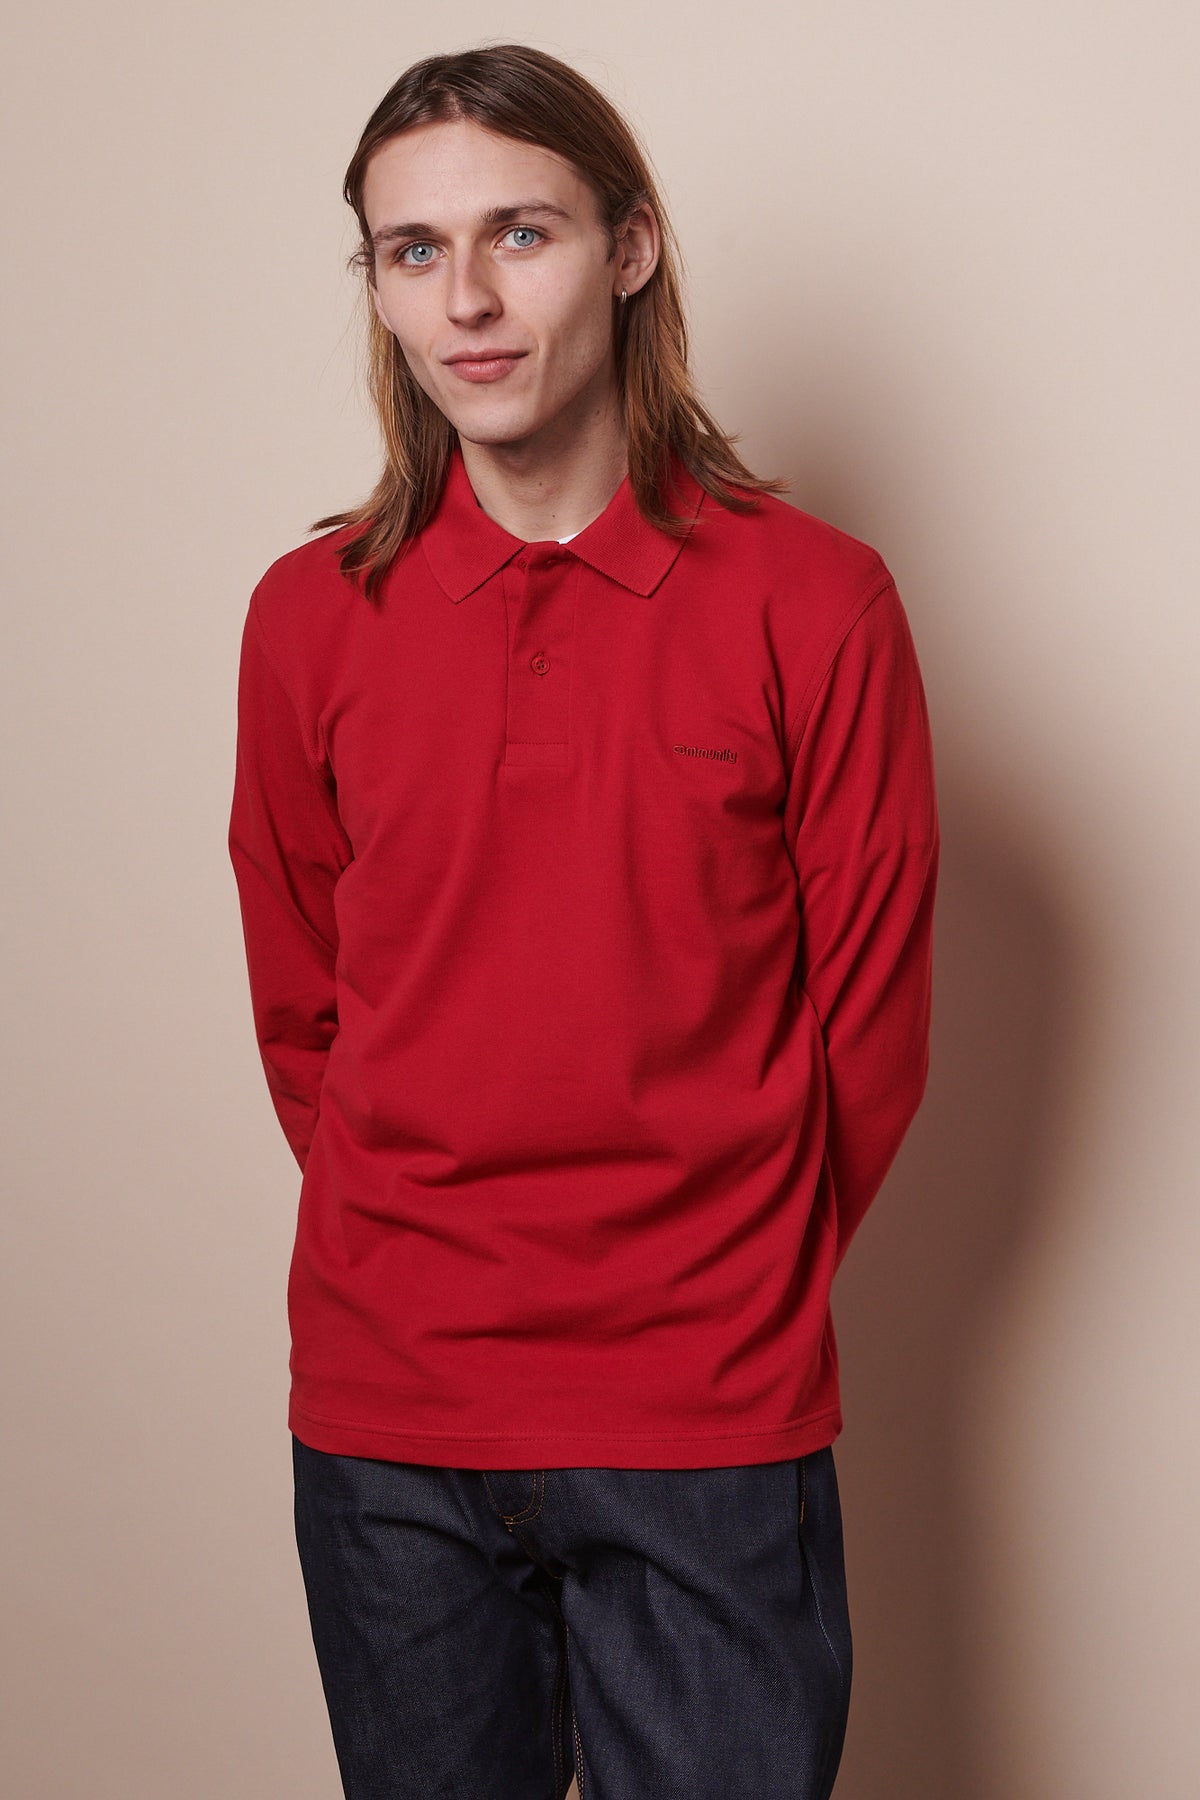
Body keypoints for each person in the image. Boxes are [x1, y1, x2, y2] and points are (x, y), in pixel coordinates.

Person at [227, 41, 939, 1800]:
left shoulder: (817, 602)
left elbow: (871, 1032)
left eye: (519, 233)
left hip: (703, 1411)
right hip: (393, 1419)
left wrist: (710, 1288)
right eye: (412, 251)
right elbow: (304, 1001)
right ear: (377, 287)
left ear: (628, 249)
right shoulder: (309, 618)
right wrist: (423, 1248)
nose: (465, 297)